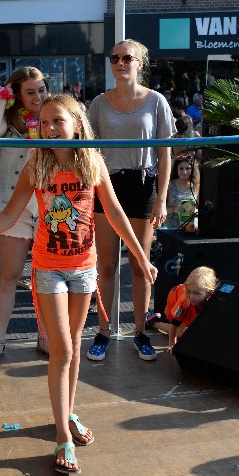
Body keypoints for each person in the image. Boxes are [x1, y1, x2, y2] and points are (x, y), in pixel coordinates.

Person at [0, 94, 157, 475]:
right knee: (60, 350)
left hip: (83, 269)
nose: (49, 129)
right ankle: (62, 435)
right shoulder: (35, 167)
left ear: (77, 124)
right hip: (48, 269)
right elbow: (9, 216)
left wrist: (140, 255)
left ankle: (69, 413)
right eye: (43, 123)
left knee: (73, 347)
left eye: (57, 121)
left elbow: (116, 212)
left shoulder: (92, 163)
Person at [86, 39, 175, 362]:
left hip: (143, 182)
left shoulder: (156, 101)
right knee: (106, 264)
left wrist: (162, 198)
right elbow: (89, 152)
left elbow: (165, 155)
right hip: (107, 184)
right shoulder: (98, 103)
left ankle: (140, 331)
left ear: (140, 64)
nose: (120, 63)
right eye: (115, 58)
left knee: (141, 264)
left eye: (127, 58)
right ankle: (104, 331)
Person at [0, 66, 50, 366]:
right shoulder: (8, 119)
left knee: (48, 277)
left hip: (50, 206)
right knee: (7, 278)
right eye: (29, 91)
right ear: (17, 95)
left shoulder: (55, 114)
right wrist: (2, 98)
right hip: (11, 205)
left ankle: (46, 336)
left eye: (42, 90)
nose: (38, 96)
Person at [156, 266, 217, 352]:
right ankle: (156, 323)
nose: (192, 297)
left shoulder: (214, 299)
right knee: (182, 333)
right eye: (189, 291)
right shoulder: (185, 301)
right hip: (175, 295)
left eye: (197, 293)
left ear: (210, 292)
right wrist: (172, 345)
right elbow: (174, 324)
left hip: (187, 299)